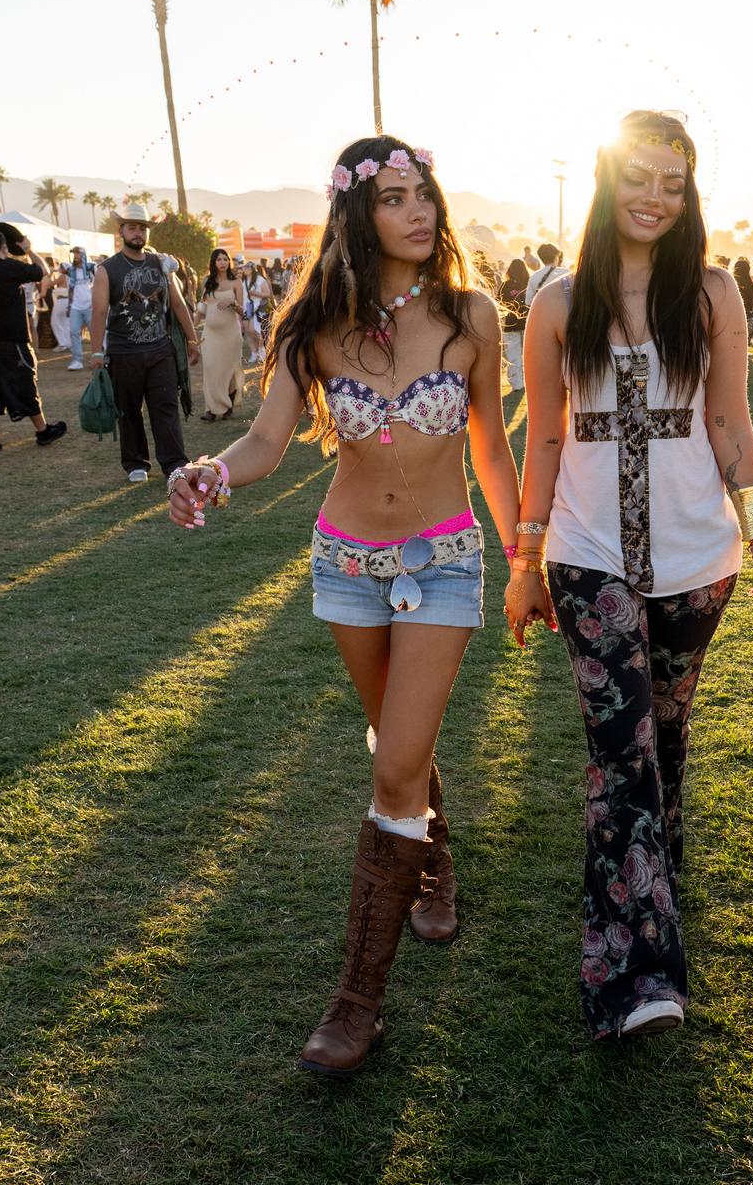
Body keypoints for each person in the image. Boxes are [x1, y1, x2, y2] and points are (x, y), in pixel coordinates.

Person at [167, 135, 521, 1079]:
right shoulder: (313, 324)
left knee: (394, 768)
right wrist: (211, 471)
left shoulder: (471, 316)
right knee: (394, 741)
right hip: (346, 565)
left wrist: (522, 549)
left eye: (425, 195)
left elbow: (491, 448)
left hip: (445, 559)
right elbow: (265, 442)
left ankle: (356, 1004)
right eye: (396, 197)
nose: (419, 212)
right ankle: (433, 858)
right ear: (357, 214)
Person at [504, 111, 753, 1043]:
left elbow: (730, 427)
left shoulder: (713, 294)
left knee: (666, 737)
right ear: (609, 179)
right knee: (621, 753)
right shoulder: (558, 304)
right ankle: (634, 976)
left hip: (696, 561)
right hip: (588, 558)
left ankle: (656, 887)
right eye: (640, 176)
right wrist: (525, 562)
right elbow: (546, 437)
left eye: (674, 182)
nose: (655, 196)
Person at [88, 203, 194, 482]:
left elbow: (179, 305)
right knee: (129, 410)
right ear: (121, 230)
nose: (138, 233)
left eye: (142, 228)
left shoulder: (161, 263)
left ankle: (174, 462)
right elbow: (98, 312)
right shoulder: (106, 269)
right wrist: (96, 352)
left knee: (165, 407)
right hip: (123, 352)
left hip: (160, 349)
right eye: (132, 227)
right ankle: (136, 463)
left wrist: (192, 338)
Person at [0, 223, 66, 457]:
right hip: (9, 338)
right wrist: (29, 249)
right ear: (4, 247)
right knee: (23, 381)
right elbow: (43, 271)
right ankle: (42, 430)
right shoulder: (10, 268)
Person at [198, 247, 248, 421]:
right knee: (211, 368)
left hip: (231, 334)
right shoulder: (207, 281)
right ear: (213, 262)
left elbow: (244, 313)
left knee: (228, 371)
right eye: (219, 259)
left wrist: (232, 303)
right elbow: (202, 306)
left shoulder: (236, 283)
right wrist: (192, 327)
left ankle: (228, 404)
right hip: (210, 334)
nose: (222, 262)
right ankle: (210, 409)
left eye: (225, 259)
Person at [59, 245, 96, 371]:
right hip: (75, 306)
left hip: (90, 305)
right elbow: (70, 287)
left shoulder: (91, 268)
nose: (75, 256)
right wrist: (69, 306)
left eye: (77, 253)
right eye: (74, 254)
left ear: (83, 255)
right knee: (74, 332)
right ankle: (77, 360)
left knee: (95, 333)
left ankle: (98, 357)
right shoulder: (71, 270)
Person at [499, 256, 529, 391]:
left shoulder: (506, 285)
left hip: (510, 325)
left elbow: (499, 303)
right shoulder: (529, 284)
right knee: (528, 356)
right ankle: (526, 383)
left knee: (513, 357)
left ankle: (517, 385)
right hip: (528, 323)